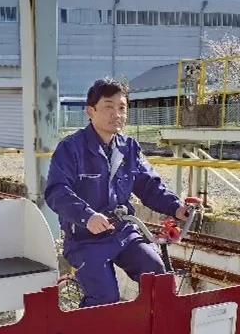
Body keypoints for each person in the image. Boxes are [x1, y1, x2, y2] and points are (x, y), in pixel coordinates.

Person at [45, 77, 192, 307]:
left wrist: (177, 207)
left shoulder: (129, 148)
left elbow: (149, 186)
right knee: (105, 297)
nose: (117, 114)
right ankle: (86, 329)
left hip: (123, 232)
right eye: (108, 107)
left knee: (157, 274)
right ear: (90, 111)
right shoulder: (71, 148)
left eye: (122, 108)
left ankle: (151, 326)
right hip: (84, 239)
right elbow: (57, 191)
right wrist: (87, 216)